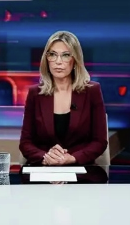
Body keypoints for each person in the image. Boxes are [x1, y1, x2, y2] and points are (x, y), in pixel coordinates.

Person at [19, 30, 108, 166]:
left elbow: (99, 142)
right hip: (43, 169)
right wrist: (46, 157)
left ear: (75, 60)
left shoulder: (92, 91)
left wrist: (72, 158)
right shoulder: (35, 93)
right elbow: (25, 143)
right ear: (46, 59)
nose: (58, 62)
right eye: (52, 55)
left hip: (80, 169)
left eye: (66, 55)